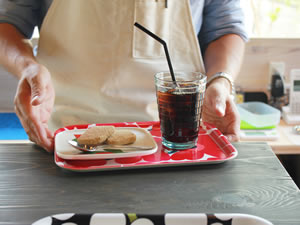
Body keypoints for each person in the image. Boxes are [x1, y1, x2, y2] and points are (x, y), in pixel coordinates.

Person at [0, 0, 248, 152]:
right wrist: (28, 69)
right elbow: (6, 23)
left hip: (176, 142)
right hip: (66, 139)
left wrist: (221, 81)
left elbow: (225, 28)